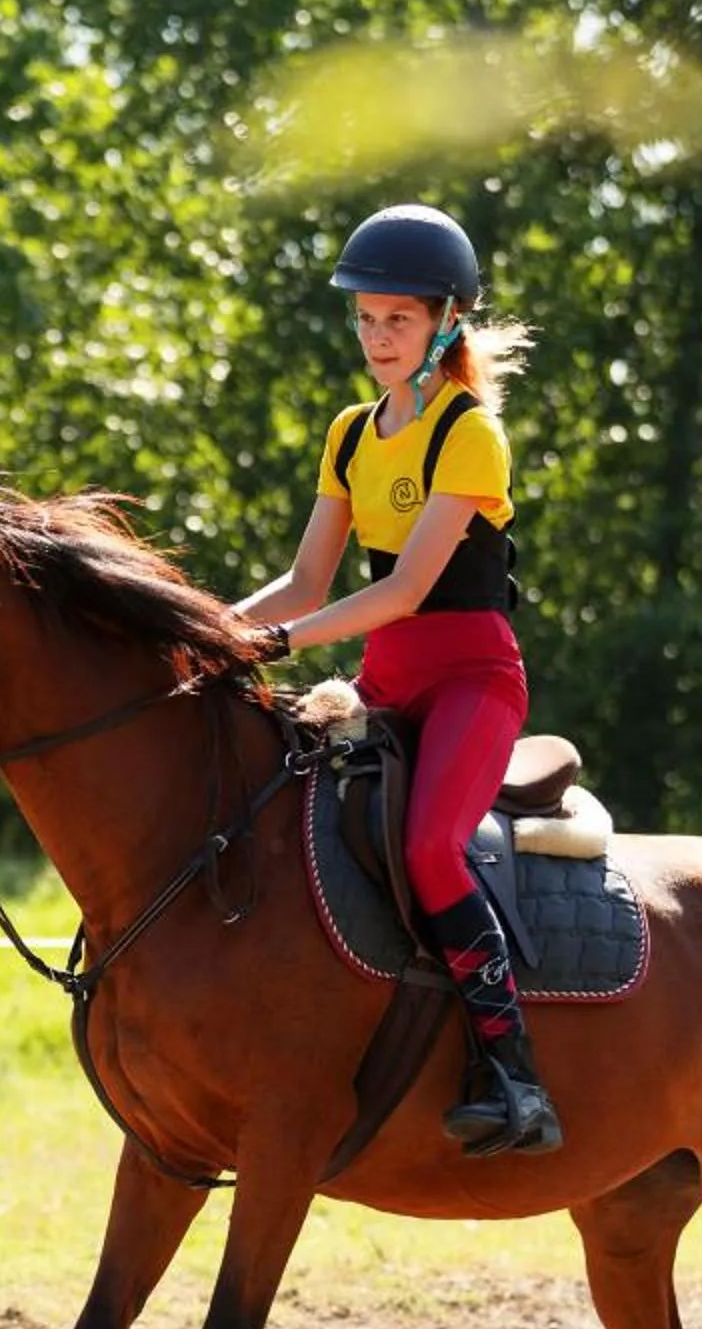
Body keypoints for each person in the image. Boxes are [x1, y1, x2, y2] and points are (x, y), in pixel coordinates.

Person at [230, 202, 558, 1157]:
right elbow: (305, 582)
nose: (377, 337)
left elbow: (407, 590)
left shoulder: (469, 433)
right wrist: (208, 631)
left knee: (428, 849)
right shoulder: (348, 434)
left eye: (398, 320)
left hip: (471, 680)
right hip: (384, 679)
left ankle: (514, 1074)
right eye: (367, 318)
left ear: (445, 322)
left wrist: (276, 643)